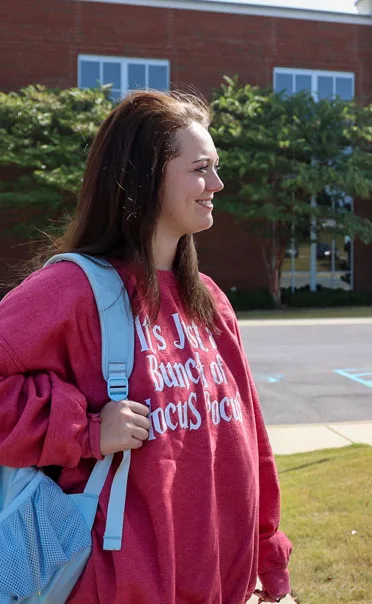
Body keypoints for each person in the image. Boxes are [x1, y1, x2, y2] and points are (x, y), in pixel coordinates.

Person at [0, 91, 291, 603]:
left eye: (216, 168)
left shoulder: (211, 300)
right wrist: (84, 430)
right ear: (144, 176)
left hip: (222, 588)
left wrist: (270, 556)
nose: (218, 185)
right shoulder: (71, 291)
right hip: (118, 587)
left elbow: (251, 441)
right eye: (201, 168)